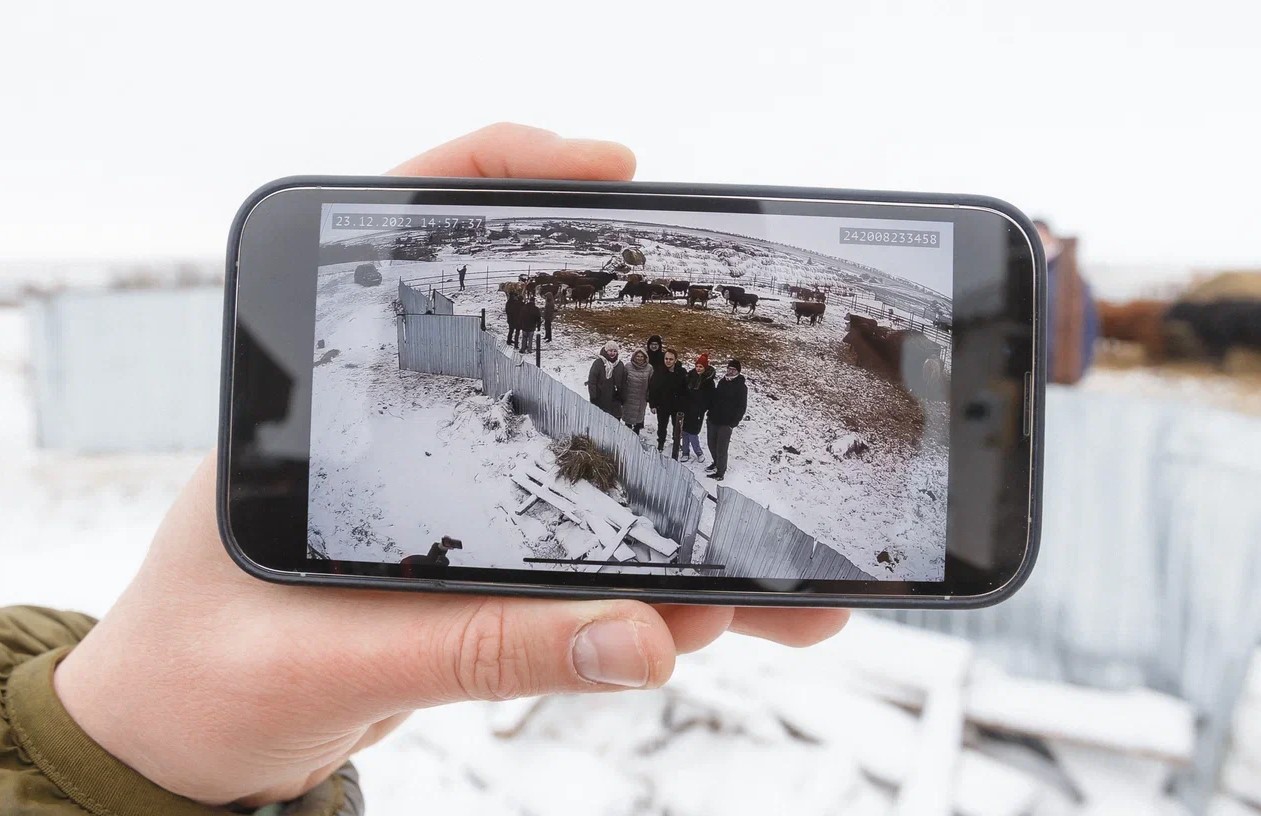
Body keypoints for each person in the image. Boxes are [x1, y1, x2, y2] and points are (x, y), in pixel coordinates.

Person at [0, 123, 847, 815]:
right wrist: (112, 743)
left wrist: (100, 755)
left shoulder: (694, 380)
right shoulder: (608, 361)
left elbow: (685, 400)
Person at [1034, 218, 1099, 385]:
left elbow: (1089, 323)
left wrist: (1080, 366)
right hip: (1030, 372)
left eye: (1041, 237)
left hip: (1061, 373)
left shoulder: (1070, 280)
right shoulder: (1022, 273)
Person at [706, 359, 747, 481]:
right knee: (711, 444)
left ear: (738, 371)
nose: (730, 371)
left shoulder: (741, 387)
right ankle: (716, 462)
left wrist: (733, 423)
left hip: (726, 423)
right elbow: (714, 399)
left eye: (733, 369)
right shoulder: (722, 382)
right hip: (713, 419)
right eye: (729, 369)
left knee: (721, 449)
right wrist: (710, 414)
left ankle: (720, 472)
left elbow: (742, 407)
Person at [648, 348, 688, 458]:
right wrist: (653, 404)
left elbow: (685, 391)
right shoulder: (659, 372)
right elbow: (653, 389)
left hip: (677, 406)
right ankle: (661, 442)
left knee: (677, 427)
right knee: (662, 426)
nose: (668, 361)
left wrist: (683, 406)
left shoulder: (682, 373)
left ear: (675, 360)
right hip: (663, 405)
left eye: (671, 359)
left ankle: (676, 444)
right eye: (666, 359)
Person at [681, 353, 715, 463]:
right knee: (685, 432)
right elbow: (685, 392)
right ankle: (685, 452)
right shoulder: (690, 377)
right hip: (687, 409)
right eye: (697, 366)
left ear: (705, 368)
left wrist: (703, 408)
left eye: (701, 367)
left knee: (693, 433)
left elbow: (710, 398)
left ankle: (698, 452)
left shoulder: (709, 382)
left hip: (698, 411)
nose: (698, 369)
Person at [586, 341, 627, 419]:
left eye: (615, 351)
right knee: (601, 420)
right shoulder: (598, 363)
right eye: (610, 351)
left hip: (615, 400)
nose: (612, 353)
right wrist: (593, 397)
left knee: (615, 420)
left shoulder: (620, 365)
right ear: (606, 351)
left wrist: (622, 397)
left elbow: (623, 383)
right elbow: (592, 381)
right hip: (601, 398)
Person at [621, 348, 654, 433]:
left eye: (641, 356)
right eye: (637, 356)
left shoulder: (649, 368)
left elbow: (651, 384)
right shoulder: (628, 366)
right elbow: (623, 381)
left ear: (645, 357)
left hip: (641, 399)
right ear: (634, 357)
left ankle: (636, 434)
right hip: (629, 398)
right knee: (628, 420)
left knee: (638, 420)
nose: (639, 358)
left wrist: (649, 396)